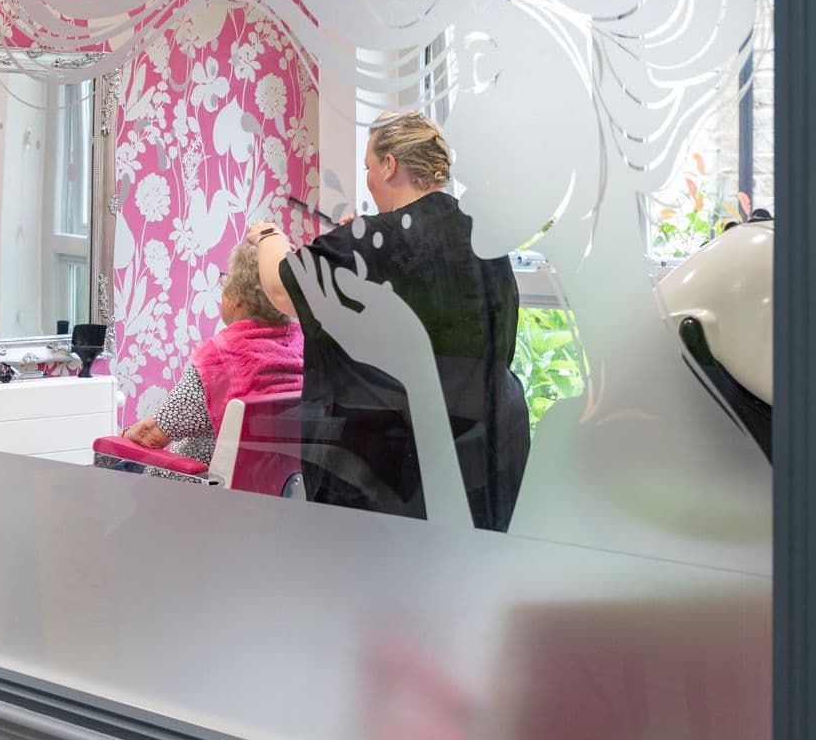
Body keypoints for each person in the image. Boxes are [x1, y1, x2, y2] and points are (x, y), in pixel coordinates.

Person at [248, 108, 530, 530]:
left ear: (390, 165)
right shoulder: (479, 232)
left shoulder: (372, 243)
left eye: (368, 166)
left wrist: (269, 239)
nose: (368, 177)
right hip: (487, 445)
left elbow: (278, 289)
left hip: (402, 464)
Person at [112, 240, 303, 477]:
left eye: (226, 281)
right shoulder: (301, 347)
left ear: (238, 296)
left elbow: (149, 435)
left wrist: (117, 442)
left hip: (196, 495)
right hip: (273, 490)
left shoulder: (222, 359)